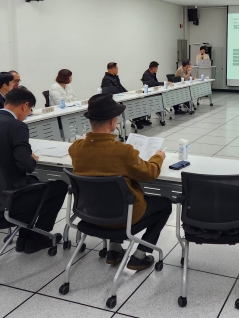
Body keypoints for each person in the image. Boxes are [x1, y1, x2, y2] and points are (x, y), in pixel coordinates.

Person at [69, 93, 171, 270]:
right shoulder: (123, 151)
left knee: (110, 195)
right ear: (112, 122)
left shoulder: (76, 149)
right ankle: (140, 255)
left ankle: (114, 250)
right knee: (164, 204)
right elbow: (150, 172)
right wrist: (158, 157)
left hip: (91, 213)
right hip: (123, 218)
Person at [0, 87, 68, 254]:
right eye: (29, 110)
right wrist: (31, 158)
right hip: (9, 200)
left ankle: (24, 238)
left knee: (35, 186)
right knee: (59, 186)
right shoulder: (17, 126)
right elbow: (26, 166)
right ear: (25, 105)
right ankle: (36, 238)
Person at [139, 61, 170, 128]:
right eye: (157, 68)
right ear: (154, 68)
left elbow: (156, 82)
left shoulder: (153, 73)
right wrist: (164, 83)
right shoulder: (146, 75)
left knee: (162, 95)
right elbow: (153, 83)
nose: (157, 69)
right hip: (149, 93)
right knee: (159, 97)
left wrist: (161, 84)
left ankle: (159, 110)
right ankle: (158, 110)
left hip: (153, 91)